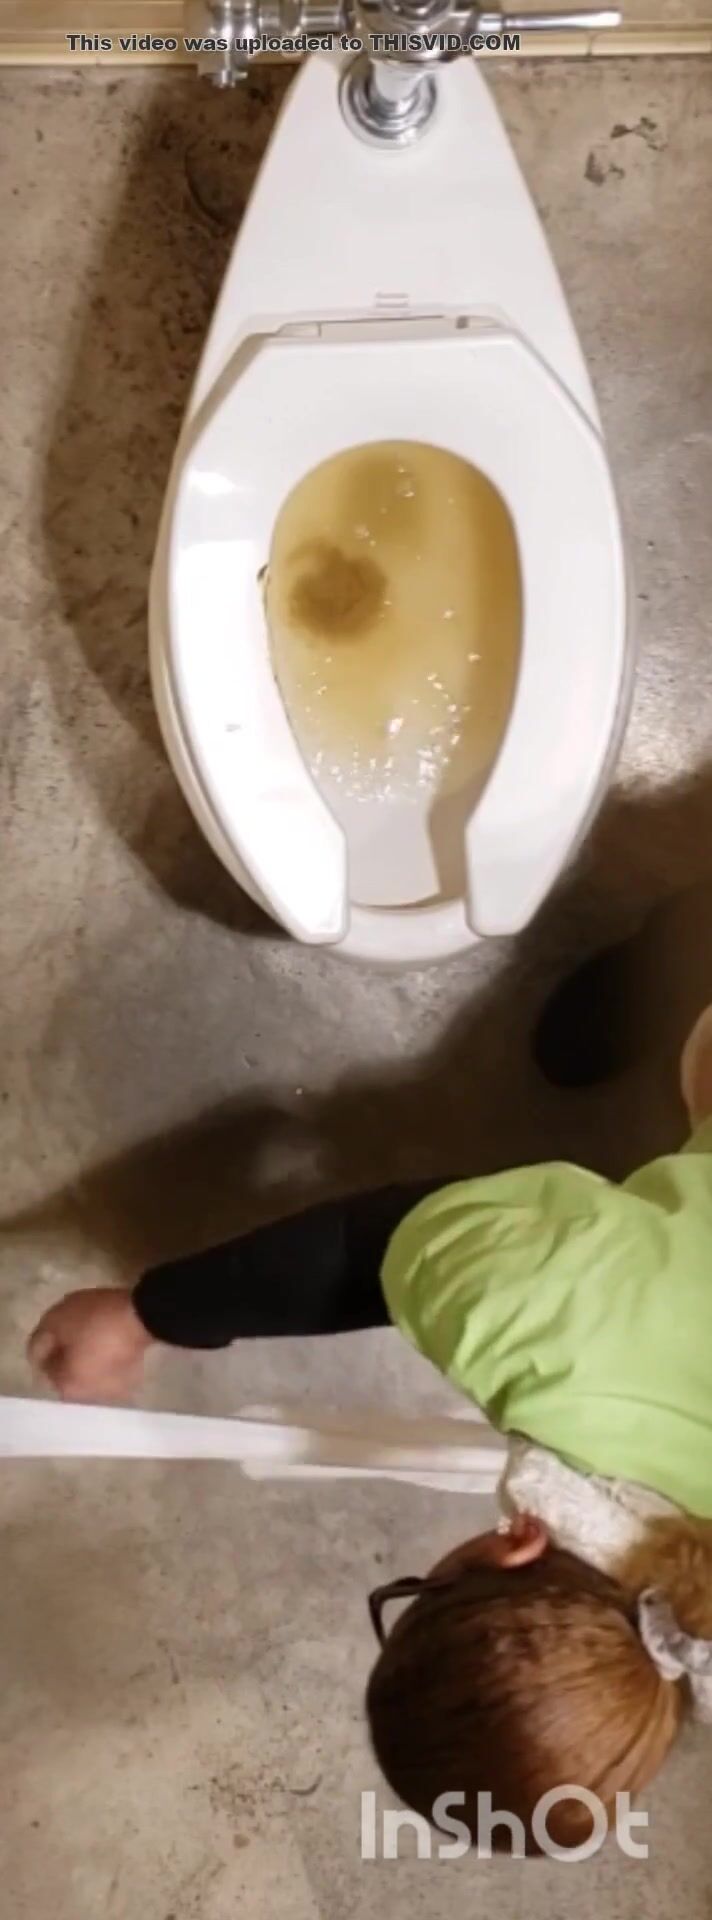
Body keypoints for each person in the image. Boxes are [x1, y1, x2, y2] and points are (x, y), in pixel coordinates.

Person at [27, 1000, 712, 1851]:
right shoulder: (535, 1320)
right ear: (514, 1545)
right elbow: (373, 1251)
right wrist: (145, 1314)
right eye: (414, 1593)